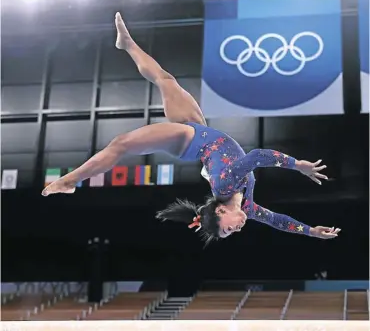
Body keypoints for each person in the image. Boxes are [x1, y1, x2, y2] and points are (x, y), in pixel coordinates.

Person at [42, 12, 341, 243]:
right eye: (231, 234)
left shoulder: (226, 186)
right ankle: (129, 45)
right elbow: (277, 220)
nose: (236, 230)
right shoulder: (246, 205)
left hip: (189, 140)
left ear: (221, 212)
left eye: (226, 231)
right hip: (201, 131)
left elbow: (258, 155)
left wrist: (296, 165)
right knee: (166, 80)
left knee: (121, 143)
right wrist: (311, 232)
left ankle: (70, 180)